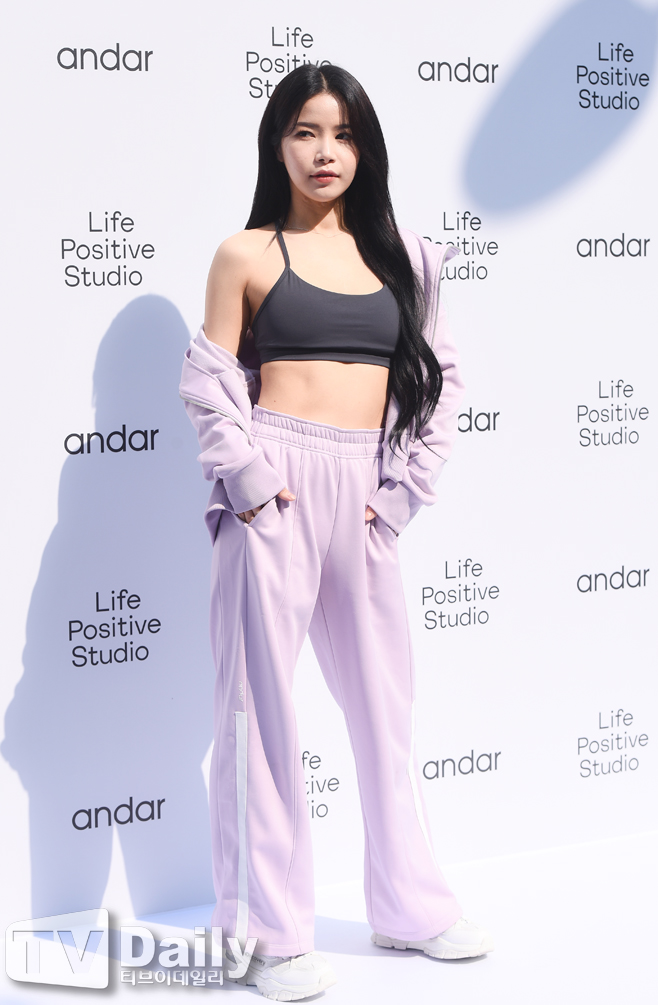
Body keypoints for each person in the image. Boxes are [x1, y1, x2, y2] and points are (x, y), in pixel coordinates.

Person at [180, 63, 493, 1002]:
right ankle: (264, 933)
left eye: (344, 133)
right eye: (307, 131)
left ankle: (409, 905)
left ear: (366, 148)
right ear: (277, 143)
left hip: (364, 494)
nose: (326, 152)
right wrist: (251, 485)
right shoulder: (246, 253)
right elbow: (209, 383)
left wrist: (399, 495)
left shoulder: (406, 256)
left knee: (383, 709)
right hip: (273, 487)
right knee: (258, 718)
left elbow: (443, 385)